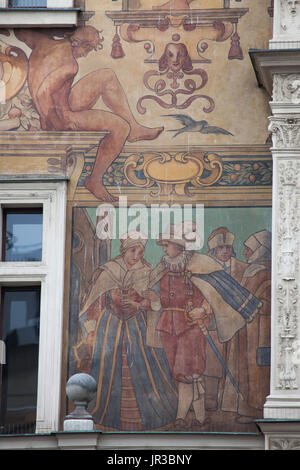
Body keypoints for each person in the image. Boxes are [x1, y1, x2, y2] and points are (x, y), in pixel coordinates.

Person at [14, 26, 163, 202]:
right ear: (76, 43)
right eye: (87, 49)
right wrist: (58, 123)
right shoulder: (70, 65)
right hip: (60, 116)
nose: (86, 54)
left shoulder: (44, 43)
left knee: (106, 75)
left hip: (62, 103)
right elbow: (42, 93)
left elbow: (20, 33)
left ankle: (135, 129)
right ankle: (94, 180)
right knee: (121, 127)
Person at [149, 223, 263, 430]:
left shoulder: (200, 266)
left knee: (188, 372)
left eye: (167, 245)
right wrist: (151, 299)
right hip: (168, 326)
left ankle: (181, 417)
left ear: (178, 246)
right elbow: (156, 296)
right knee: (183, 374)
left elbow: (213, 296)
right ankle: (201, 417)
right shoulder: (163, 269)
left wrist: (204, 309)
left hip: (192, 327)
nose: (164, 249)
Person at [73, 232, 177, 431]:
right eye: (132, 250)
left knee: (142, 364)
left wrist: (143, 303)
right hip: (110, 326)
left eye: (140, 251)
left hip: (137, 325)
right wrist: (91, 329)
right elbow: (95, 302)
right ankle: (108, 415)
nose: (136, 255)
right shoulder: (110, 271)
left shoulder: (147, 271)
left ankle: (148, 415)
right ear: (123, 250)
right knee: (109, 367)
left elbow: (156, 301)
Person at [222, 230, 271, 423]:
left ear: (261, 250)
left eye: (249, 249)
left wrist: (257, 306)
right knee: (244, 367)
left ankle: (256, 409)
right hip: (246, 328)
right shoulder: (251, 270)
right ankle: (246, 408)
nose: (245, 252)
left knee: (256, 368)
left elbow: (271, 302)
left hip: (259, 331)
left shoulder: (266, 271)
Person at [205, 227, 247, 411]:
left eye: (227, 248)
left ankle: (232, 403)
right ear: (214, 250)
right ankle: (210, 401)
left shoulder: (242, 268)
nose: (224, 251)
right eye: (220, 248)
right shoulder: (205, 268)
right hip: (213, 324)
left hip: (236, 326)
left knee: (234, 364)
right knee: (212, 364)